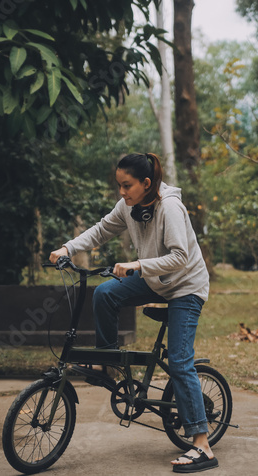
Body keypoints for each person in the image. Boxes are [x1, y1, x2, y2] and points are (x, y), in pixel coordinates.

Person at [50, 152, 218, 473]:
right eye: (119, 186)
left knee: (180, 361)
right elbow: (100, 230)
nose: (122, 192)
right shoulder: (127, 206)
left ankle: (202, 445)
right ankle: (107, 361)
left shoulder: (169, 206)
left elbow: (180, 257)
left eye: (127, 186)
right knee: (104, 294)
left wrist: (138, 264)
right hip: (155, 280)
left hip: (186, 287)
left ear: (146, 183)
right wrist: (68, 248)